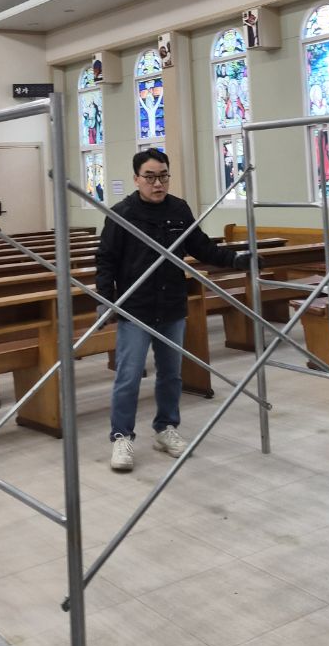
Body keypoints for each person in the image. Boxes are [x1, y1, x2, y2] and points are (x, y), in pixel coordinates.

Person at [95, 149, 248, 472]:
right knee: (129, 376)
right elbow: (106, 260)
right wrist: (105, 300)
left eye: (163, 176)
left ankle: (165, 428)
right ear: (136, 179)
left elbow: (200, 246)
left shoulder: (178, 209)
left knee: (171, 374)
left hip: (171, 305)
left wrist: (235, 259)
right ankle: (122, 436)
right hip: (135, 308)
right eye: (150, 177)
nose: (158, 183)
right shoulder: (121, 214)